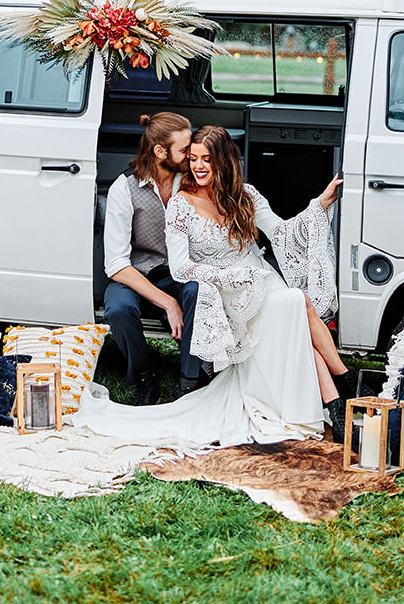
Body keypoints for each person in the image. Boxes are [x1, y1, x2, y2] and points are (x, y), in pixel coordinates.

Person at [73, 125, 351, 446]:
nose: (199, 166)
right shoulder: (182, 204)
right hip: (226, 291)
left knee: (295, 308)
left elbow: (284, 234)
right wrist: (227, 277)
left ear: (224, 161)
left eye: (206, 159)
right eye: (193, 159)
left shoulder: (245, 195)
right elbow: (180, 267)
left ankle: (337, 404)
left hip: (260, 279)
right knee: (297, 304)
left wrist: (320, 205)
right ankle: (343, 384)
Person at [101, 112, 206, 405]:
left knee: (198, 292)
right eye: (185, 150)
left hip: (176, 272)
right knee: (119, 310)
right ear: (160, 152)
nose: (191, 155)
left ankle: (189, 381)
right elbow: (117, 264)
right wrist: (168, 303)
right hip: (135, 274)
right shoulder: (124, 188)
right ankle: (145, 376)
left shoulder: (191, 181)